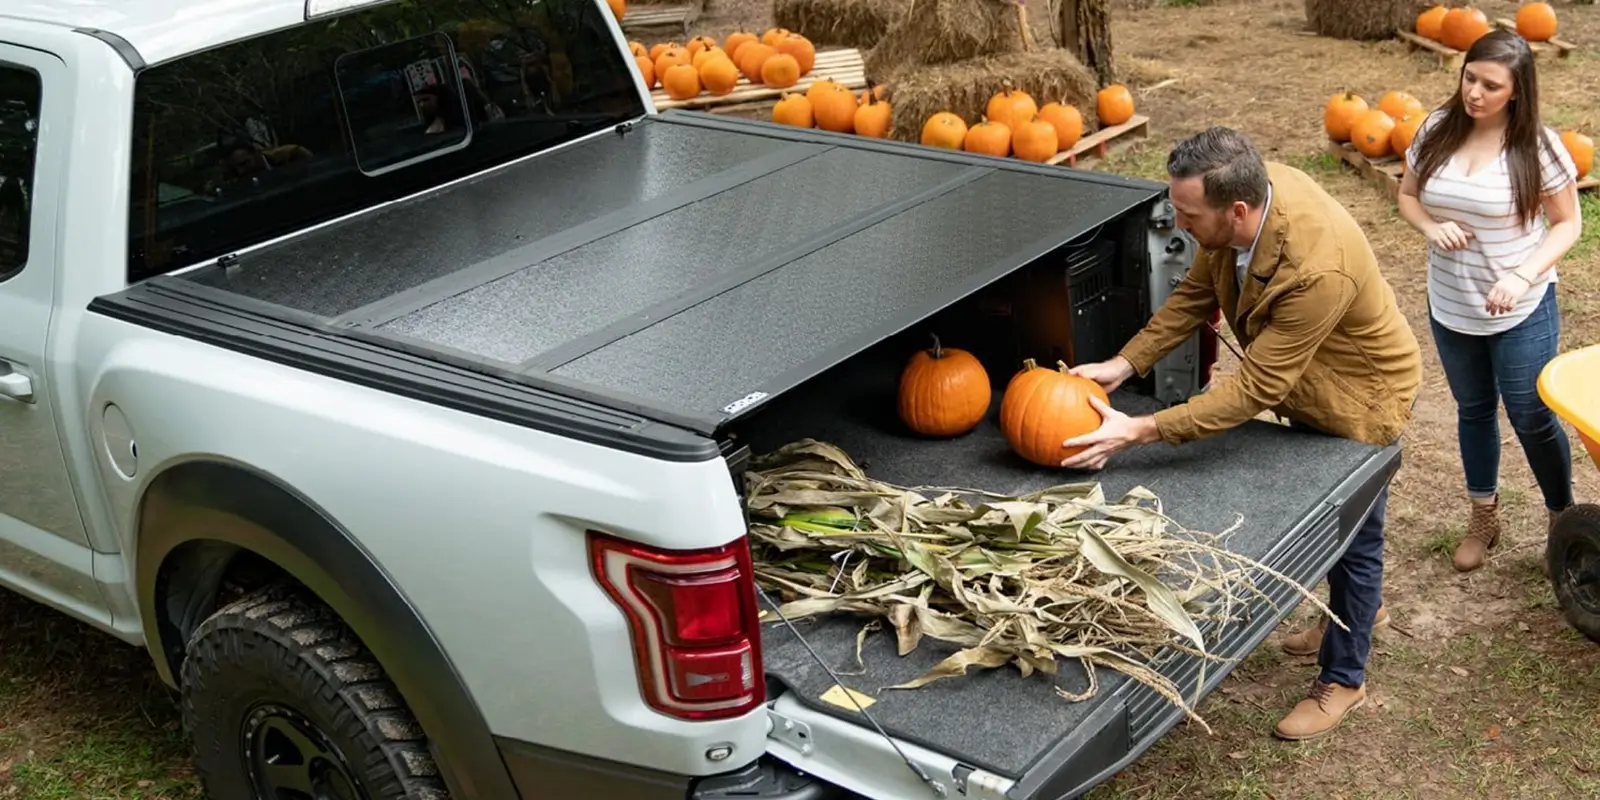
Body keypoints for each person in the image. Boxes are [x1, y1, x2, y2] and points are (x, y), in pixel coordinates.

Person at [1065, 126, 1424, 741]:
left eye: (1188, 216)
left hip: (1361, 399)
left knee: (1356, 530)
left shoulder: (1317, 268)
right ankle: (1353, 616)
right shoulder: (1250, 198)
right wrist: (1124, 364)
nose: (1179, 226)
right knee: (1337, 526)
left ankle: (1345, 676)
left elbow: (1256, 388)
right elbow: (1196, 293)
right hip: (1309, 381)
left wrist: (1141, 429)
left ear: (1236, 209)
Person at [1395, 29, 1583, 574]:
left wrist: (1523, 275)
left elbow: (1568, 223)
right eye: (1470, 77)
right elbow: (1407, 195)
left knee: (1531, 416)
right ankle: (1484, 516)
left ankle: (1563, 521)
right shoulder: (1435, 128)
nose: (1475, 92)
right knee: (1474, 410)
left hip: (1521, 308)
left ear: (1516, 90)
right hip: (1452, 303)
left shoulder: (1537, 146)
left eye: (1491, 85)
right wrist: (1431, 226)